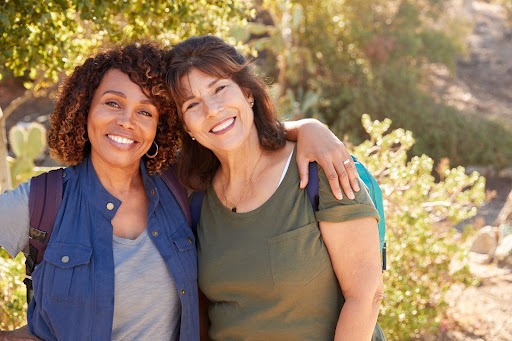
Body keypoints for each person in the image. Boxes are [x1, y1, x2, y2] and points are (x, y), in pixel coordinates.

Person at [0, 42, 359, 340]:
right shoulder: (42, 200)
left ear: (162, 126)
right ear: (84, 110)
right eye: (112, 103)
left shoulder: (181, 186)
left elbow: (227, 130)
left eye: (146, 111)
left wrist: (309, 128)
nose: (127, 121)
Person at [166, 35, 385, 340]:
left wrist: (309, 127)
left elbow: (367, 295)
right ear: (186, 128)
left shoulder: (319, 170)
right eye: (192, 104)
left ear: (248, 94)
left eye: (219, 89)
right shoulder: (196, 200)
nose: (212, 110)